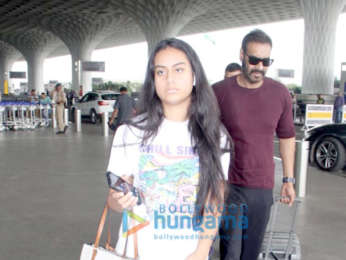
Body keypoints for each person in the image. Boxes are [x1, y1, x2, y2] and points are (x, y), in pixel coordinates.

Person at [106, 38, 231, 260]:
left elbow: (215, 199)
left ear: (194, 76)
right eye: (161, 72)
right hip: (133, 252)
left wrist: (201, 251)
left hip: (186, 253)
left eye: (179, 69)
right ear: (153, 80)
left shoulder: (215, 136)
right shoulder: (129, 132)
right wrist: (118, 199)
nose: (170, 79)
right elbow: (113, 202)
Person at [213, 29, 296, 260]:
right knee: (230, 252)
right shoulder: (219, 92)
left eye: (265, 61)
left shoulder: (279, 93)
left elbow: (288, 137)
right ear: (242, 54)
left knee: (251, 253)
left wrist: (288, 180)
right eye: (254, 60)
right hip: (229, 186)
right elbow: (204, 137)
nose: (259, 66)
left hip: (262, 188)